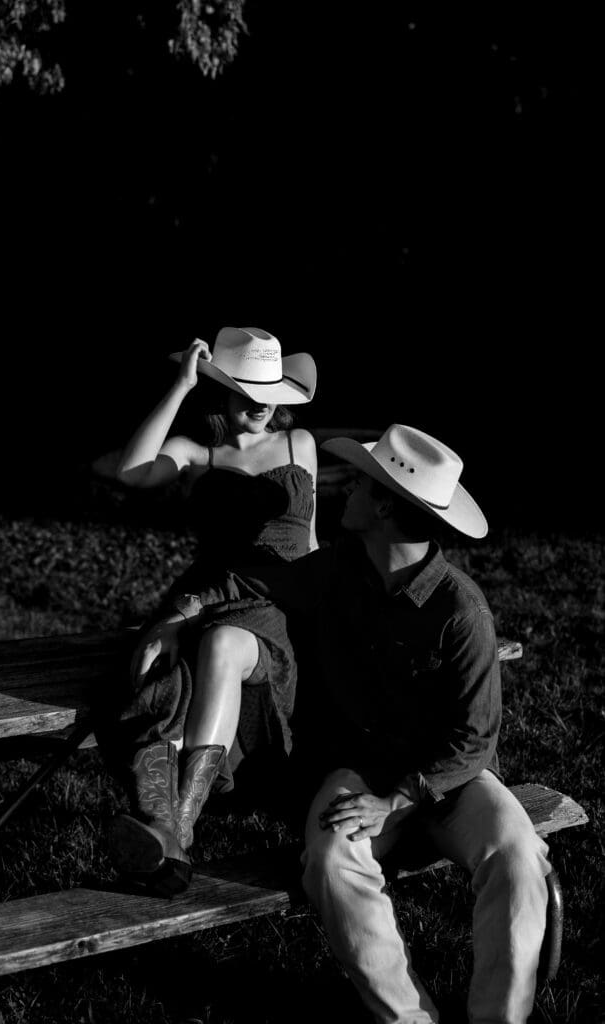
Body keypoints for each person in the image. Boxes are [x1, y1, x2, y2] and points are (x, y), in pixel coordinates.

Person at [165, 423, 551, 1023]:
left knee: (519, 854)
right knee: (328, 857)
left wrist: (398, 800)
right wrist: (179, 613)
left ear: (387, 510)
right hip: (362, 768)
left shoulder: (461, 610)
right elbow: (257, 580)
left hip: (452, 780)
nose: (345, 490)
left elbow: (475, 740)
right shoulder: (340, 566)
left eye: (363, 485)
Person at [105, 326, 318, 895]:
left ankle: (175, 833)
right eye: (245, 388)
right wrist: (179, 386)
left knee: (223, 644)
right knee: (164, 673)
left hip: (276, 600)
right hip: (206, 596)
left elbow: (311, 541)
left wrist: (331, 605)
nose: (260, 400)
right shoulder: (199, 451)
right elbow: (132, 472)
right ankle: (171, 840)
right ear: (220, 389)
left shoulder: (302, 447)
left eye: (268, 388)